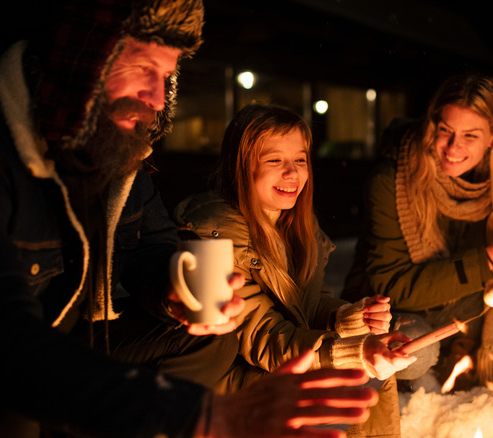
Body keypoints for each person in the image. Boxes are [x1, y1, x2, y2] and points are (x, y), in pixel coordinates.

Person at [0, 1, 379, 437]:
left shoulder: (115, 155)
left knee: (210, 336)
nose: (158, 97)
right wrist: (196, 416)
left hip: (80, 335)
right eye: (144, 69)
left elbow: (153, 245)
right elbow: (2, 341)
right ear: (89, 61)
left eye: (166, 77)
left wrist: (177, 285)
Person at [173, 104, 416, 438]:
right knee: (349, 376)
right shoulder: (213, 238)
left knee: (369, 367)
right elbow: (264, 337)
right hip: (227, 385)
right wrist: (352, 352)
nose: (292, 173)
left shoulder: (296, 225)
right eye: (274, 161)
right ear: (240, 167)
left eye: (300, 160)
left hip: (272, 363)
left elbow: (308, 301)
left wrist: (347, 317)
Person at [341, 73, 493, 386]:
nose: (452, 147)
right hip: (400, 312)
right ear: (433, 124)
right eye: (445, 130)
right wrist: (489, 260)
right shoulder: (391, 178)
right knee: (412, 350)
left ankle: (464, 357)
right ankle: (441, 364)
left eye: (470, 136)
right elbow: (392, 285)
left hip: (462, 306)